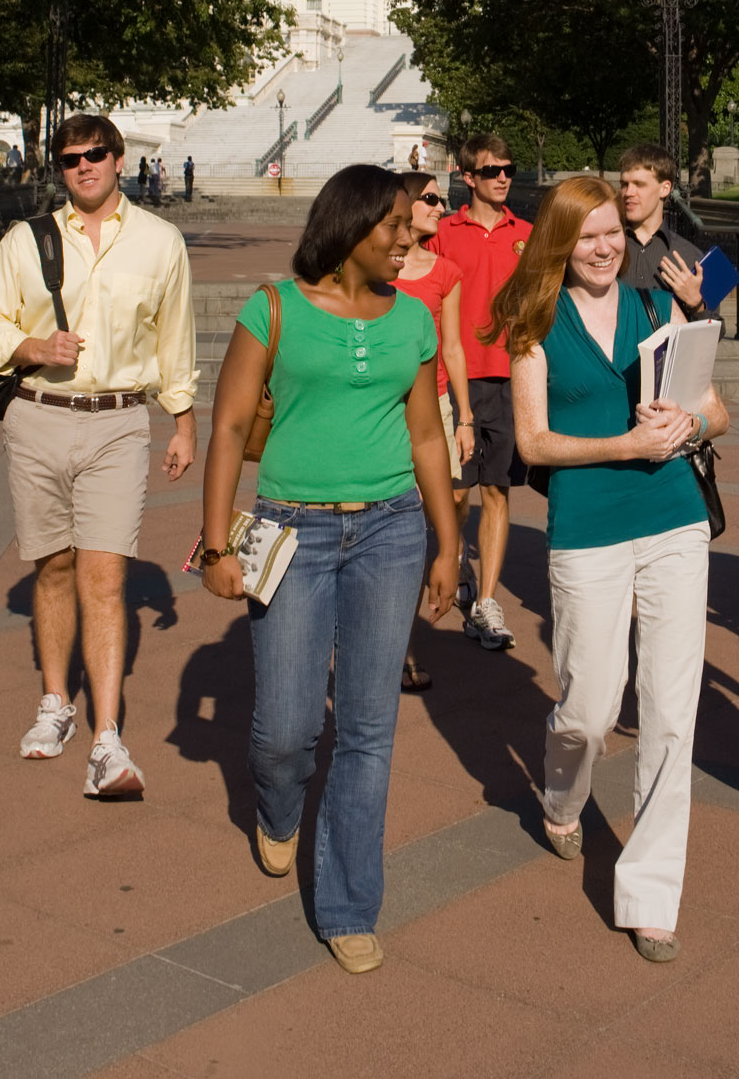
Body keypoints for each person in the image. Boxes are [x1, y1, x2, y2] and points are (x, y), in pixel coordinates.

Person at [201, 165, 458, 975]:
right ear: (349, 228)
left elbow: (425, 438)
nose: (410, 238)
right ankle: (278, 810)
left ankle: (350, 904)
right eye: (395, 226)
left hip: (390, 532)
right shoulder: (272, 309)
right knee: (285, 731)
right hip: (290, 532)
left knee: (369, 731)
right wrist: (215, 545)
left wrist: (447, 543)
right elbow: (231, 423)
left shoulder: (413, 319)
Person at [495, 175, 727, 963]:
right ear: (559, 241)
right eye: (586, 235)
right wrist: (625, 445)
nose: (604, 247)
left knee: (669, 709)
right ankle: (564, 796)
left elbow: (716, 409)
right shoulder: (535, 321)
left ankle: (653, 894)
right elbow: (533, 445)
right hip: (588, 526)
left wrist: (688, 422)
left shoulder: (658, 307)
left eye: (612, 233)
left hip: (673, 519)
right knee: (590, 708)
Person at [0, 114, 197, 798]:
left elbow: (173, 337)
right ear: (58, 168)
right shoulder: (26, 240)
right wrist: (33, 349)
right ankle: (55, 703)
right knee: (54, 567)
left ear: (120, 159)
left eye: (96, 155)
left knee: (104, 576)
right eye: (70, 159)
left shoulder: (160, 242)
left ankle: (106, 738)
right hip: (38, 416)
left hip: (119, 421)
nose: (84, 167)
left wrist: (182, 421)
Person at [429, 134, 531, 650]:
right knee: (456, 492)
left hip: (510, 379)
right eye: (492, 170)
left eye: (508, 168)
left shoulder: (527, 234)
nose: (503, 177)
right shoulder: (443, 232)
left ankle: (486, 601)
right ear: (467, 177)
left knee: (497, 490)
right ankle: (456, 559)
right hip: (455, 383)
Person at [395, 171, 475, 685]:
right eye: (430, 198)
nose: (439, 207)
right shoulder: (378, 267)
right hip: (385, 409)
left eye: (441, 200)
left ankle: (447, 560)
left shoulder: (446, 272)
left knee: (454, 503)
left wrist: (465, 417)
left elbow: (453, 347)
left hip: (439, 404)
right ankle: (401, 649)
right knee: (401, 527)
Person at [618, 143, 707, 315]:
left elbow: (712, 335)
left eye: (639, 184)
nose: (628, 192)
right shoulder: (605, 249)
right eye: (624, 184)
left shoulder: (690, 257)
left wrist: (697, 304)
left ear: (665, 188)